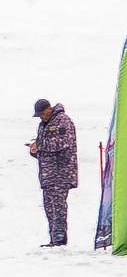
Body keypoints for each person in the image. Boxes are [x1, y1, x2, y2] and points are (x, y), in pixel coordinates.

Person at [27, 100, 78, 248]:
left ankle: (59, 240)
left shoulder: (63, 121)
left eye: (42, 113)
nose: (41, 117)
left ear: (49, 109)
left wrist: (40, 145)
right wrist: (34, 150)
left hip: (61, 173)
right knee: (49, 207)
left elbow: (62, 142)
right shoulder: (44, 125)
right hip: (48, 175)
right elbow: (45, 147)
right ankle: (53, 239)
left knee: (58, 207)